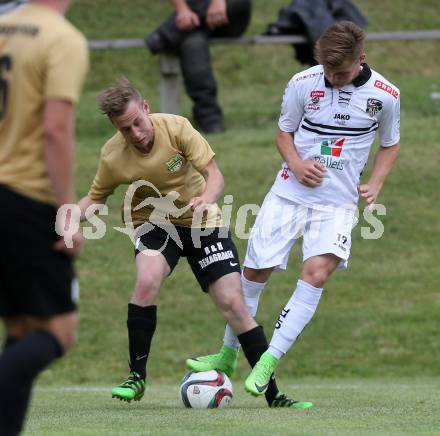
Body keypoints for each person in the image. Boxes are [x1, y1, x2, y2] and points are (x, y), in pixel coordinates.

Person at [187, 21, 400, 396]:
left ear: (361, 59)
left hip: (337, 203)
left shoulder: (385, 95)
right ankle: (227, 354)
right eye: (328, 72)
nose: (333, 79)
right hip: (288, 194)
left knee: (316, 274)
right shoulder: (303, 83)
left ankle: (268, 361)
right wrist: (298, 165)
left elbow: (390, 144)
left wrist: (376, 183)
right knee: (253, 271)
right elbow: (283, 132)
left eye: (342, 72)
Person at [78, 78, 312, 408]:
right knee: (146, 281)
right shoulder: (113, 155)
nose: (136, 134)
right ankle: (137, 377)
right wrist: (67, 220)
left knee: (234, 304)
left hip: (202, 221)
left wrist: (207, 198)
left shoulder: (177, 128)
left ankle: (275, 395)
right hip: (154, 224)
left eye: (137, 123)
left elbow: (214, 174)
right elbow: (95, 198)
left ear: (147, 109)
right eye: (125, 129)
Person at [0, 0, 89, 434]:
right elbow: (55, 130)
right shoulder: (61, 39)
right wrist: (66, 213)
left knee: (20, 329)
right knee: (59, 331)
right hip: (26, 199)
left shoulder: (5, 25)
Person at [145, 0, 251, 134]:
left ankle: (165, 33)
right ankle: (209, 117)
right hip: (195, 24)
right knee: (192, 43)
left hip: (230, 13)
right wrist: (182, 9)